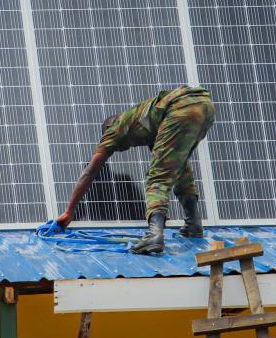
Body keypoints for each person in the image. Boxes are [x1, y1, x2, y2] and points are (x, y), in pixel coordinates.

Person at [55, 86, 215, 255]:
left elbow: (90, 171)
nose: (117, 149)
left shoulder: (115, 128)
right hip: (204, 106)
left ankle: (154, 235)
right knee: (179, 164)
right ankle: (193, 223)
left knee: (157, 178)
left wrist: (69, 212)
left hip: (179, 106)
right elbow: (177, 168)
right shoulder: (149, 126)